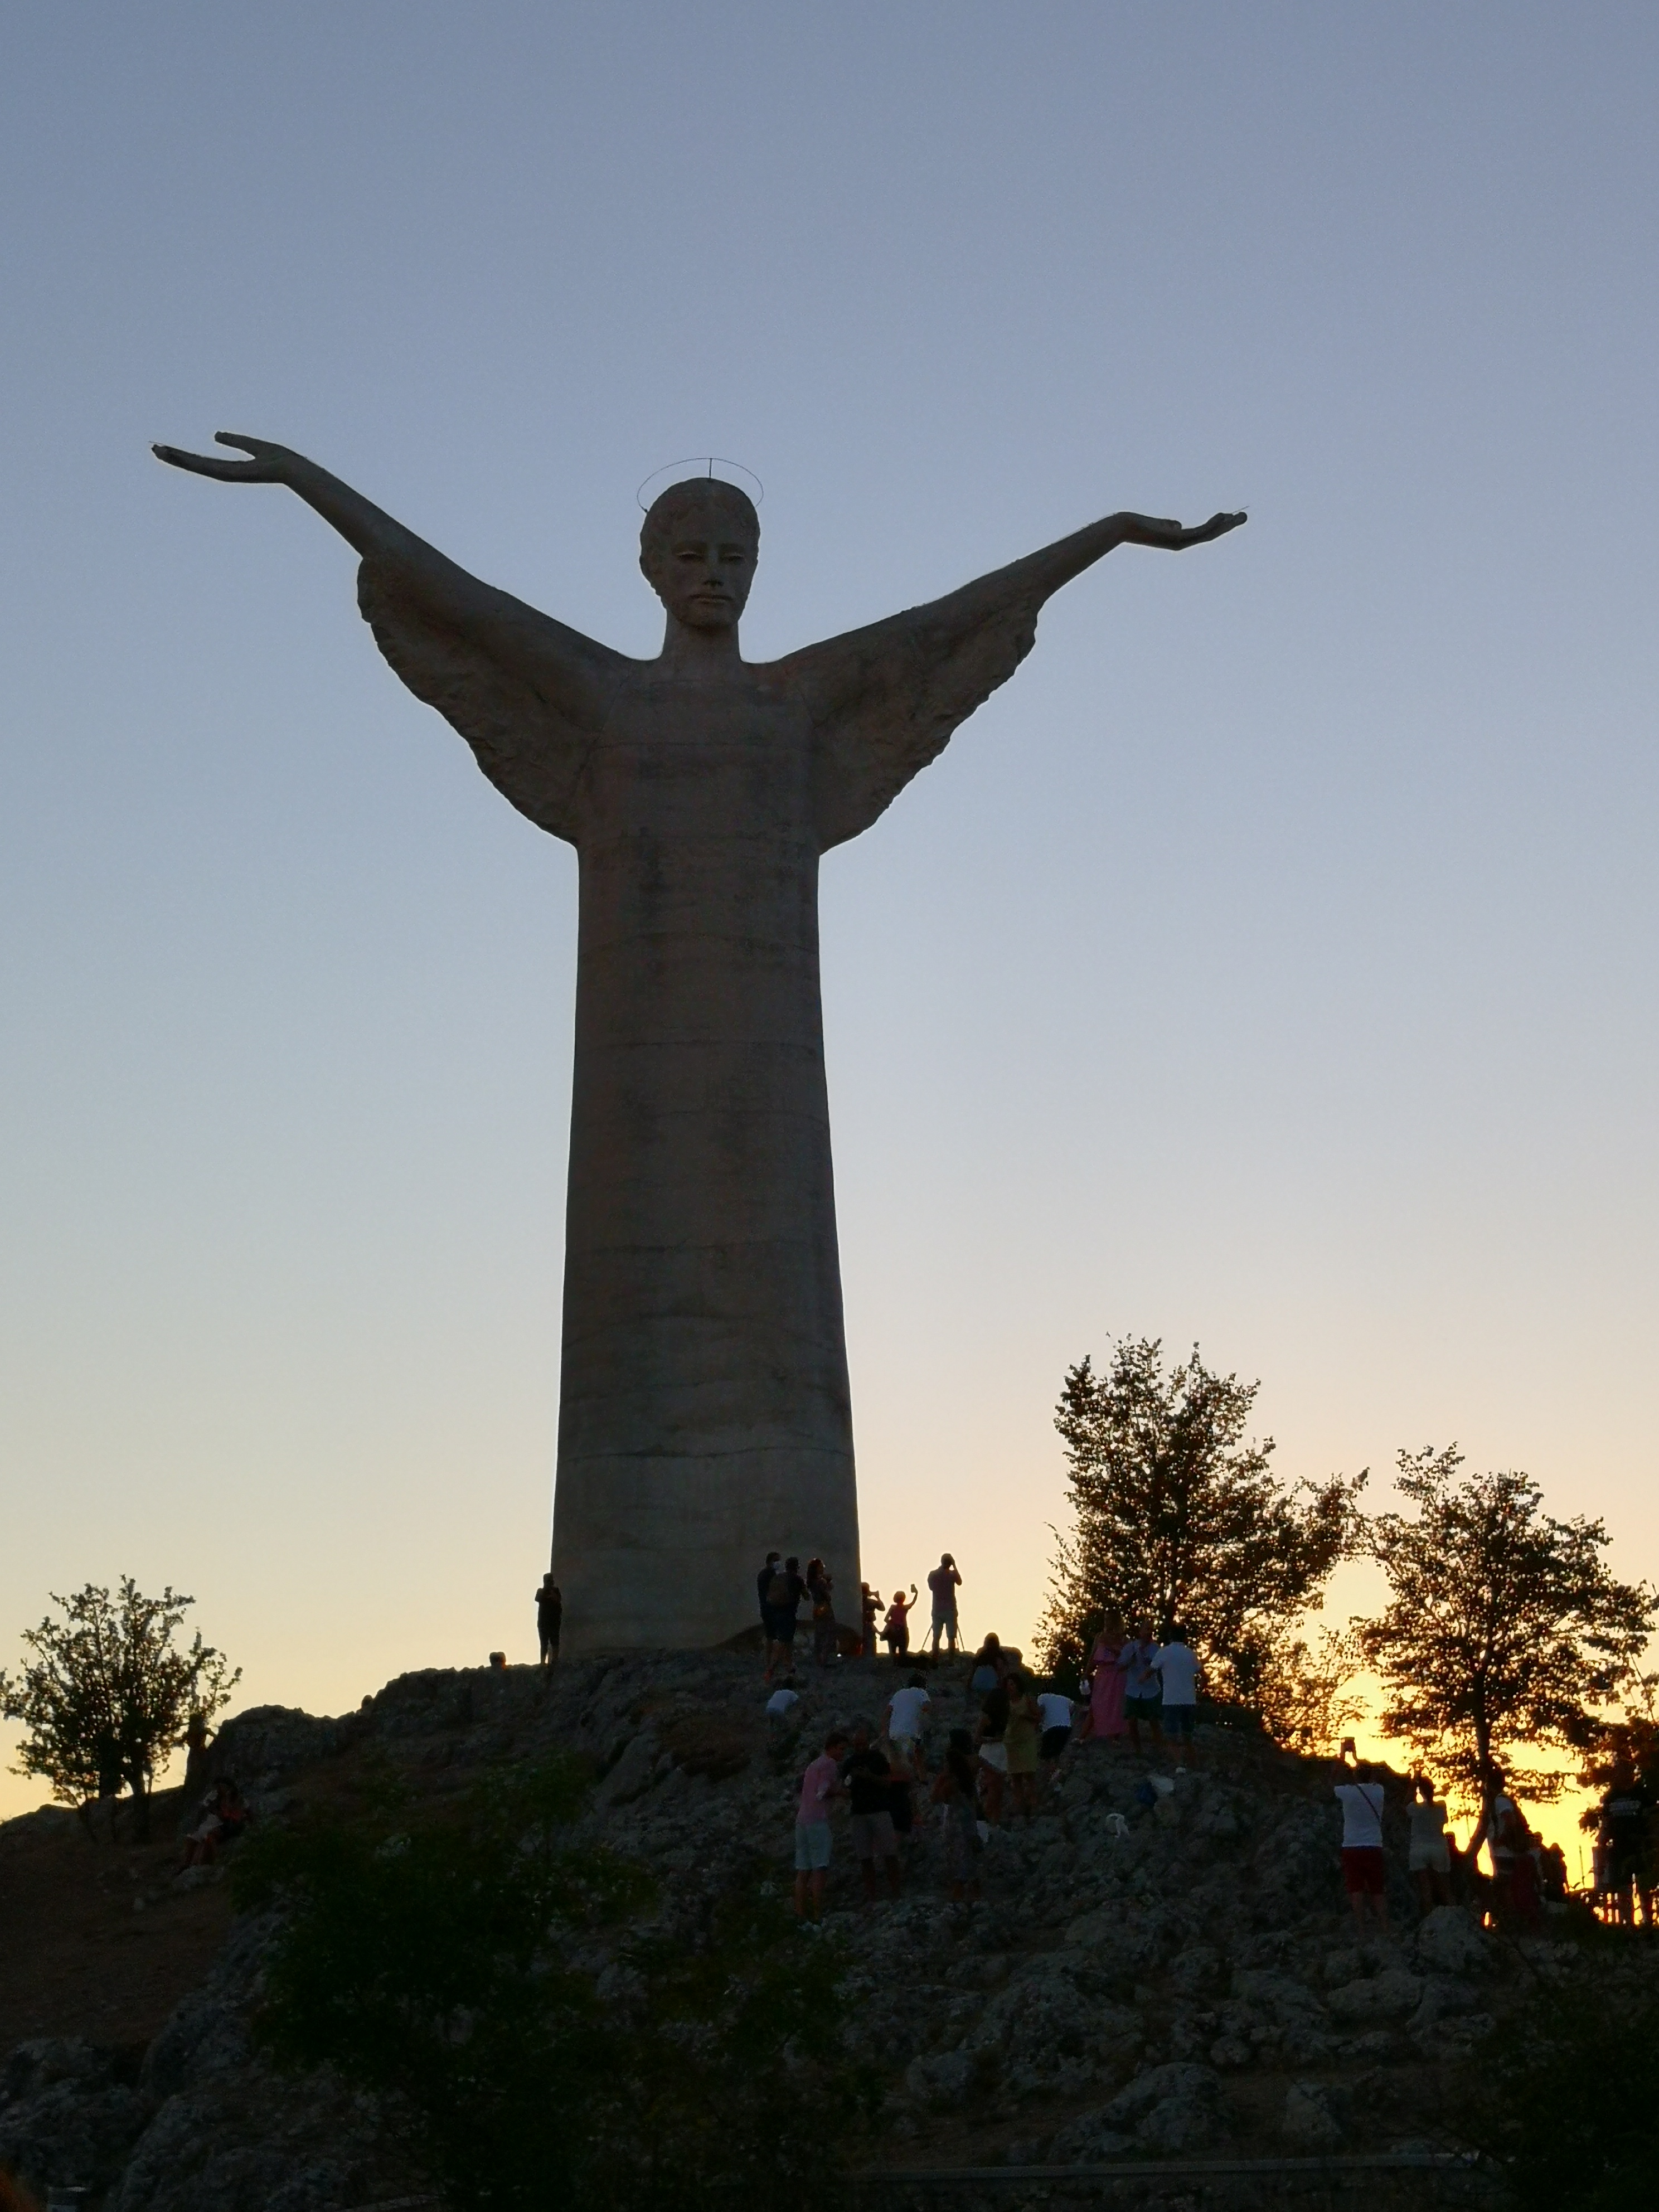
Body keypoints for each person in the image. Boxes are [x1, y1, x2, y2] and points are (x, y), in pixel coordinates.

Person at [841, 1724, 903, 1901]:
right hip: (859, 1813)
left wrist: (870, 1777)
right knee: (865, 1857)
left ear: (868, 1742)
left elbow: (887, 1783)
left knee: (890, 1853)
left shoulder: (878, 1759)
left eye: (862, 1744)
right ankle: (872, 1895)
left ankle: (896, 1891)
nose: (859, 1748)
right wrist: (852, 1779)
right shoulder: (849, 1763)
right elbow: (845, 1789)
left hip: (879, 1810)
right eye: (856, 1745)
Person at [794, 1728, 848, 1919]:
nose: (843, 1753)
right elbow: (823, 1790)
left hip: (802, 1820)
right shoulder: (829, 1764)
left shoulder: (813, 1765)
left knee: (803, 1870)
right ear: (832, 1748)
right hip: (817, 1821)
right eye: (841, 1749)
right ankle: (817, 1914)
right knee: (820, 1868)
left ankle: (800, 1913)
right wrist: (842, 1792)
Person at [1333, 1748, 1389, 1929]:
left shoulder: (1347, 1792)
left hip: (1351, 1846)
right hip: (1374, 1846)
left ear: (1355, 1776)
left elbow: (1332, 1784)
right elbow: (1375, 1778)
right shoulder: (1379, 1791)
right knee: (1377, 1889)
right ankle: (1384, 1926)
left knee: (1356, 1889)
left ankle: (1361, 1928)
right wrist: (1358, 1758)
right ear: (1371, 1775)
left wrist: (1343, 1758)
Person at [932, 1728, 984, 1901]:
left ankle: (958, 1890)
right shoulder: (972, 1768)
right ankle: (974, 1889)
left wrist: (941, 1780)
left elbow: (938, 1798)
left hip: (955, 1818)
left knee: (956, 1853)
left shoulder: (951, 1780)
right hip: (969, 1817)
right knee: (970, 1853)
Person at [1151, 1627, 1200, 1766]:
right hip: (1189, 1700)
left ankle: (1179, 1765)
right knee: (1187, 1736)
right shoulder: (1191, 1654)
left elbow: (1151, 1669)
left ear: (1170, 1636)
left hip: (1171, 1700)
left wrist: (1140, 1680)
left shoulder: (1164, 1652)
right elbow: (1202, 1673)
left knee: (1171, 1736)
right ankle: (1194, 1763)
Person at [181, 1777, 250, 1869]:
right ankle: (186, 1864)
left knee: (210, 1837)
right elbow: (204, 1809)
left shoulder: (236, 1798)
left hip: (230, 1824)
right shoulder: (215, 1796)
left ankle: (216, 1861)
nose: (219, 1789)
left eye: (221, 1786)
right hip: (220, 1822)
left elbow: (231, 1814)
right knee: (192, 1839)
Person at [1083, 1613, 1129, 1745]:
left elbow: (1128, 1657)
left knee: (1116, 1705)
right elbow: (1092, 1657)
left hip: (1118, 1674)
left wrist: (1113, 1649)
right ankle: (1084, 1735)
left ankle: (1115, 1736)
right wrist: (1086, 1673)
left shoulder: (1124, 1640)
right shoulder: (1100, 1637)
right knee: (1096, 1703)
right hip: (1103, 1674)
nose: (1106, 1623)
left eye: (1109, 1620)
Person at [1408, 1774, 1452, 1911]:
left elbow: (1405, 1805)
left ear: (1420, 1792)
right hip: (1438, 1848)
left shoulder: (1416, 1809)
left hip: (1419, 1849)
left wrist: (1413, 1785)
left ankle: (1429, 1920)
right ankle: (1453, 1915)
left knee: (1425, 1891)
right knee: (1444, 1887)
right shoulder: (1441, 1806)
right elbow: (1444, 1821)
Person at [1003, 1671, 1042, 1822]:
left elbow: (1038, 1717)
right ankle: (1018, 1804)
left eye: (1012, 1684)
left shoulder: (1027, 1700)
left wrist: (1025, 1717)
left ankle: (1033, 1804)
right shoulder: (1006, 1703)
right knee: (1015, 1776)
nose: (1010, 1688)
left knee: (1029, 1774)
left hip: (1026, 1740)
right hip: (1011, 1740)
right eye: (1008, 1685)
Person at [1119, 1618, 1162, 1753]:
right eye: (1147, 1629)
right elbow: (1120, 1667)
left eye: (1151, 1630)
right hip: (1132, 1689)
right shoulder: (1130, 1647)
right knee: (1132, 1720)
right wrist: (1129, 1661)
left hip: (1151, 1690)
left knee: (1154, 1720)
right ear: (1140, 1631)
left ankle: (1159, 1749)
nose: (1149, 1632)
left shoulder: (1156, 1649)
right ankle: (1138, 1750)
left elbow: (1159, 1668)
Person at [764, 1554, 807, 1682]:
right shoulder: (797, 1579)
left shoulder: (779, 1577)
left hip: (776, 1613)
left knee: (788, 1642)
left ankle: (789, 1668)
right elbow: (807, 1596)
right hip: (789, 1614)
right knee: (783, 1642)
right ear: (797, 1567)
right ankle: (770, 1671)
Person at [974, 1670, 1010, 1826]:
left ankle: (985, 1820)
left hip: (989, 1752)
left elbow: (977, 1738)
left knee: (989, 1787)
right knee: (997, 1789)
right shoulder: (1008, 1716)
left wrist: (992, 1740)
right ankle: (993, 1820)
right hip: (1003, 1751)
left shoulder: (986, 1717)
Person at [886, 1674, 932, 1774]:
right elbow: (926, 1707)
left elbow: (887, 1712)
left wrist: (884, 1732)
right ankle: (920, 1778)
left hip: (894, 1734)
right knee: (914, 1759)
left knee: (896, 1763)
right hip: (911, 1734)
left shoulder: (899, 1693)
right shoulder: (921, 1692)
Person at [806, 1556, 839, 1669]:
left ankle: (818, 1658)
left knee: (819, 1633)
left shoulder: (811, 1581)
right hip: (824, 1607)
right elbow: (828, 1595)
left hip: (816, 1607)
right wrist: (827, 1582)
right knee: (829, 1633)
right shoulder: (820, 1582)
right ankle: (824, 1658)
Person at [926, 1554, 962, 1653]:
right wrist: (955, 1567)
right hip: (950, 1609)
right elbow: (960, 1582)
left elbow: (931, 1587)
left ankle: (935, 1659)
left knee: (936, 1636)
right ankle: (951, 1660)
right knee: (951, 1637)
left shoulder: (933, 1574)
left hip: (937, 1609)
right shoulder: (952, 1575)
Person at [1037, 1684, 1074, 1773]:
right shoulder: (1064, 1699)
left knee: (1046, 1754)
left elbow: (1041, 1710)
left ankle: (1051, 1773)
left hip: (1051, 1728)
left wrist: (1038, 1722)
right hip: (1066, 1727)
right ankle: (1057, 1770)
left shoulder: (1042, 1697)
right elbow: (1073, 1707)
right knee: (1057, 1752)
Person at [756, 1551, 782, 1663]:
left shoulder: (762, 1574)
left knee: (770, 1636)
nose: (778, 1563)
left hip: (765, 1608)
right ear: (770, 1561)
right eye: (776, 1561)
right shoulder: (771, 1574)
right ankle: (775, 1660)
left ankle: (768, 1660)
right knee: (776, 1636)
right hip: (772, 1609)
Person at [882, 1585, 919, 1661]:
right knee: (903, 1652)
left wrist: (891, 1623)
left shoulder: (893, 1607)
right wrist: (916, 1593)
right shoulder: (905, 1608)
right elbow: (913, 1602)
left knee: (893, 1652)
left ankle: (894, 1666)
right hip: (903, 1630)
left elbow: (886, 1619)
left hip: (894, 1630)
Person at [535, 1575, 562, 1667]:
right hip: (543, 1622)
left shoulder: (556, 1591)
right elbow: (538, 1599)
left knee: (555, 1641)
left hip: (554, 1621)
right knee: (544, 1643)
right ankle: (543, 1662)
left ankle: (555, 1660)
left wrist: (551, 1593)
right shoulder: (541, 1591)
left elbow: (558, 1600)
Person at [859, 1580, 880, 1657]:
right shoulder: (868, 1601)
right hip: (867, 1624)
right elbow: (882, 1607)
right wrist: (877, 1597)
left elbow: (882, 1608)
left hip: (864, 1624)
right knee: (870, 1644)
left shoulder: (861, 1599)